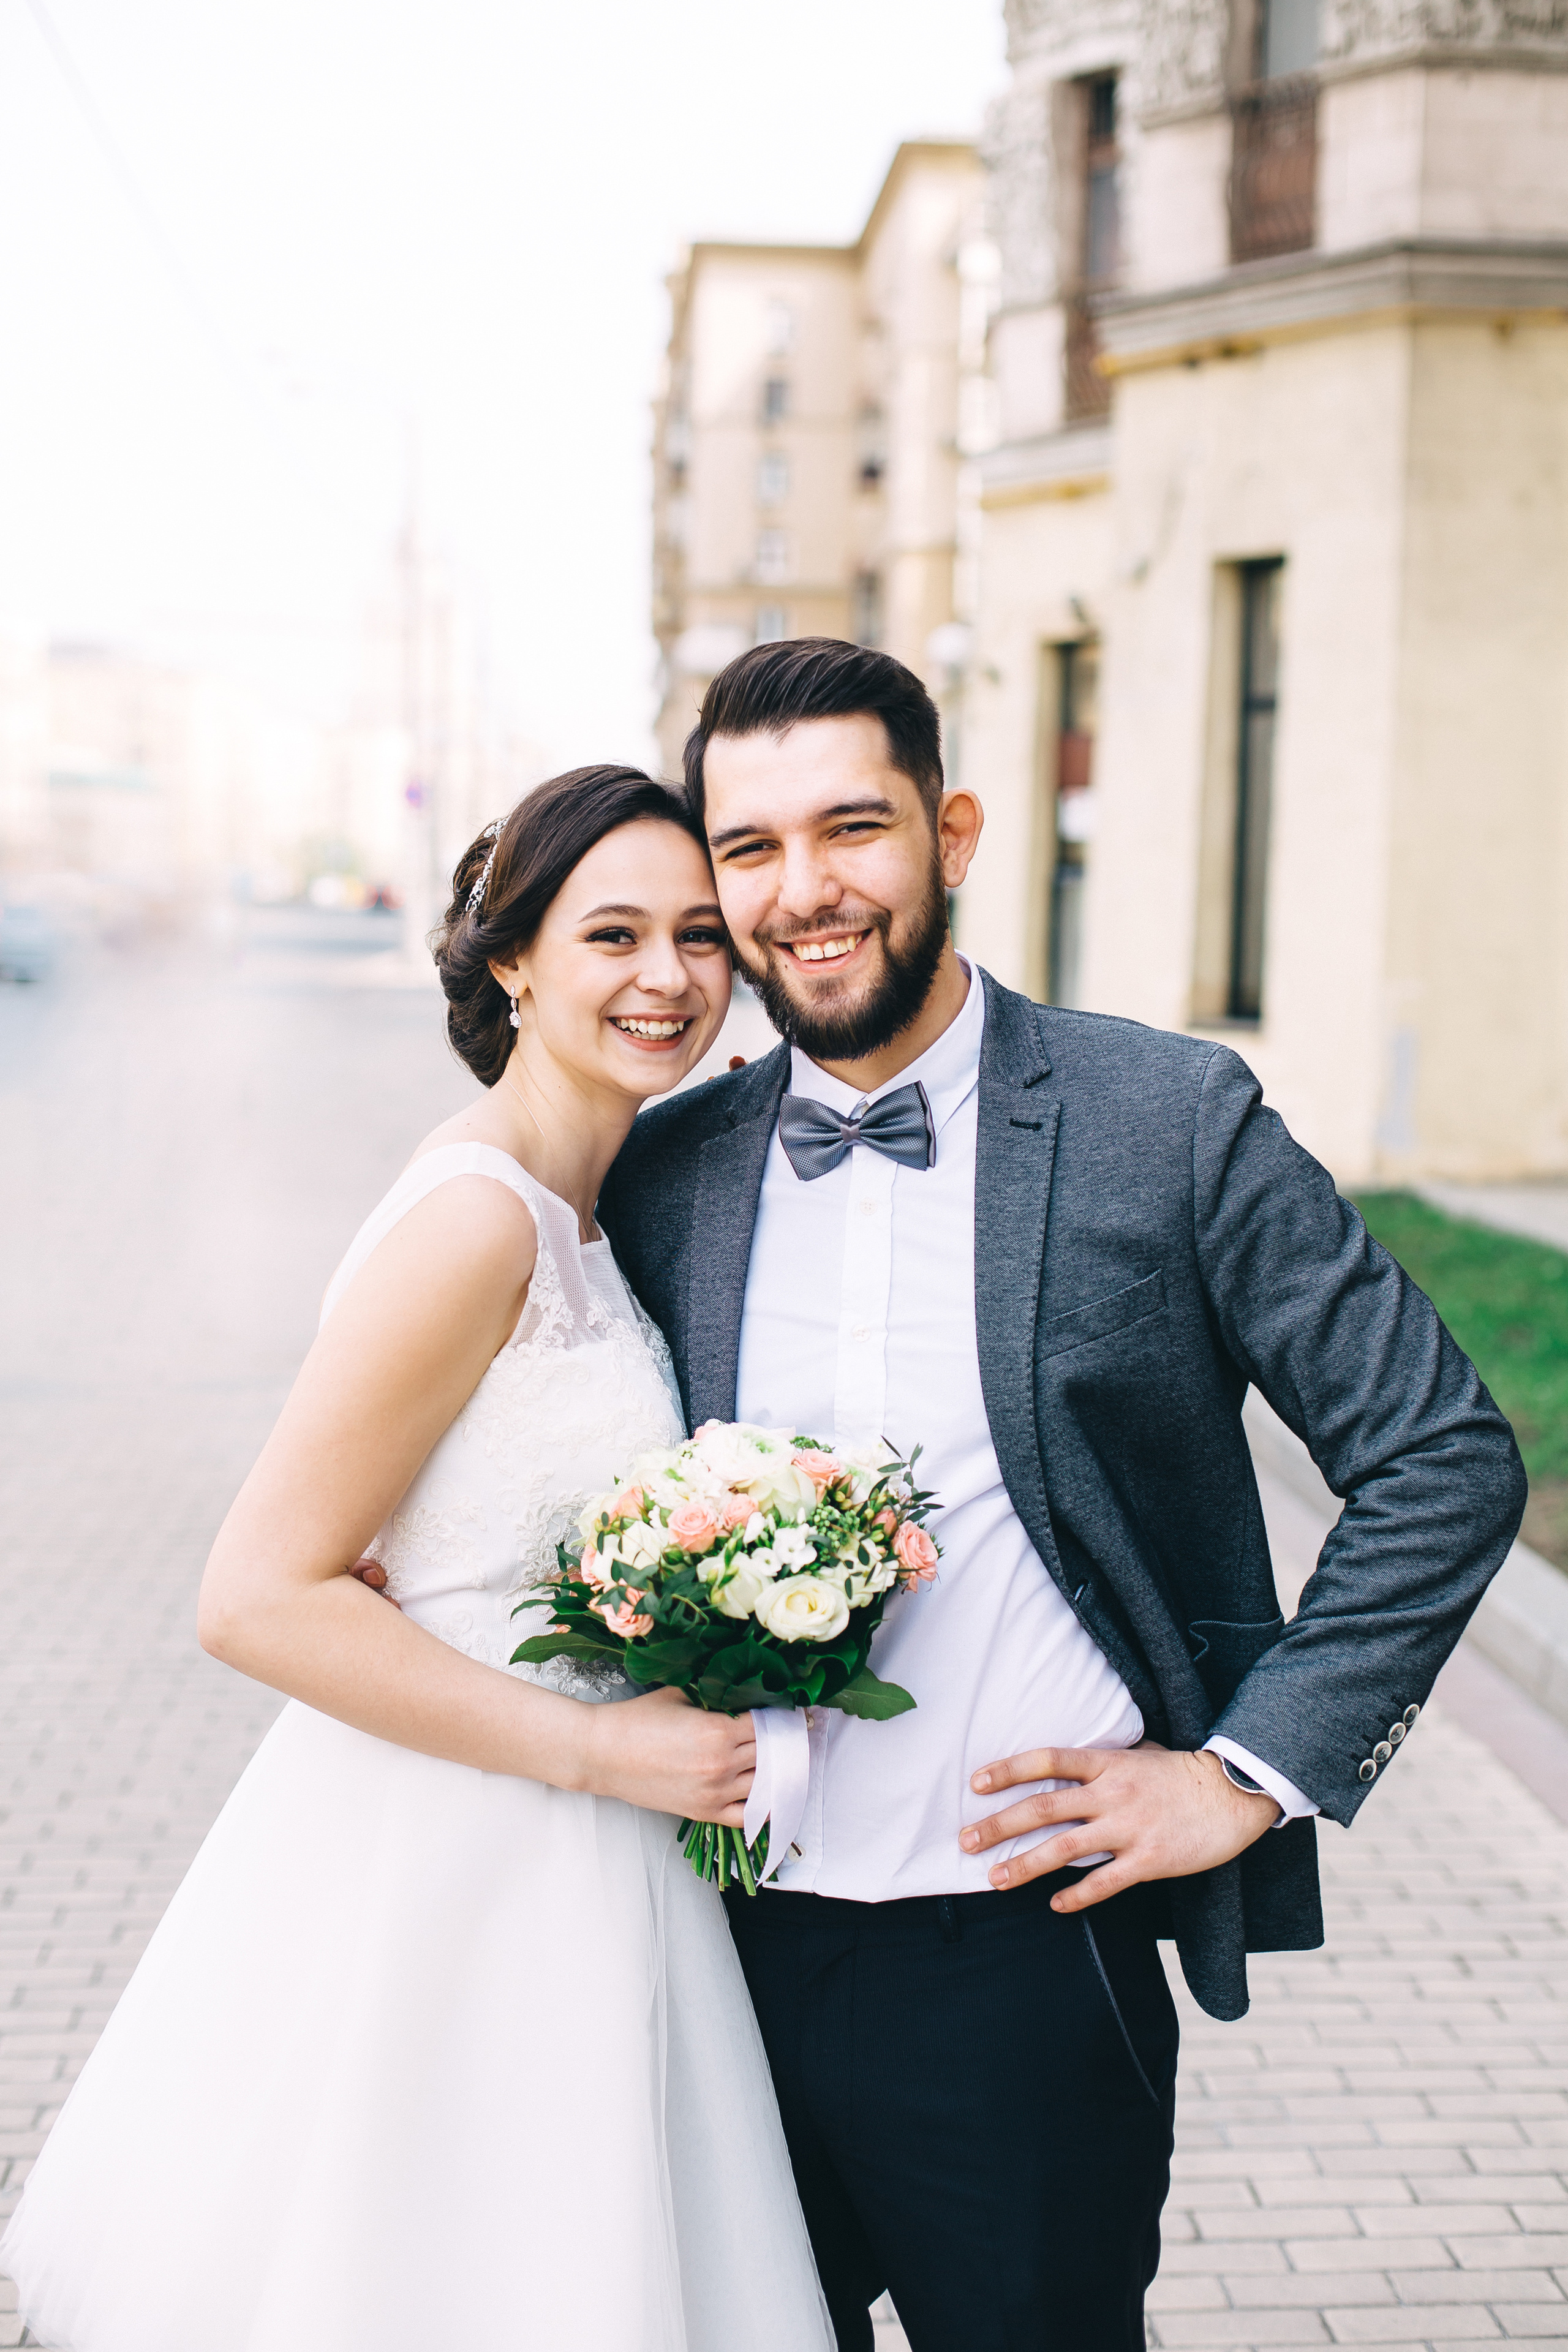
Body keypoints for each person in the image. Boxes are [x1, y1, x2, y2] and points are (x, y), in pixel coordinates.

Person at [597, 641, 1528, 2352]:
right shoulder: (663, 1168)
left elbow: (1442, 1457)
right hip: (702, 1958)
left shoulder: (1165, 1121)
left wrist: (1246, 1775)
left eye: (853, 829)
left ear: (952, 832)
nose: (805, 892)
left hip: (1022, 1972)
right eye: (751, 849)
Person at [0, 767, 834, 2352]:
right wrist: (602, 1746)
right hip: (469, 1844)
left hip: (594, 1851)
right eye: (615, 934)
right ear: (515, 958)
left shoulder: (597, 1206)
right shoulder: (479, 1220)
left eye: (701, 936)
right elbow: (254, 1597)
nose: (669, 978)